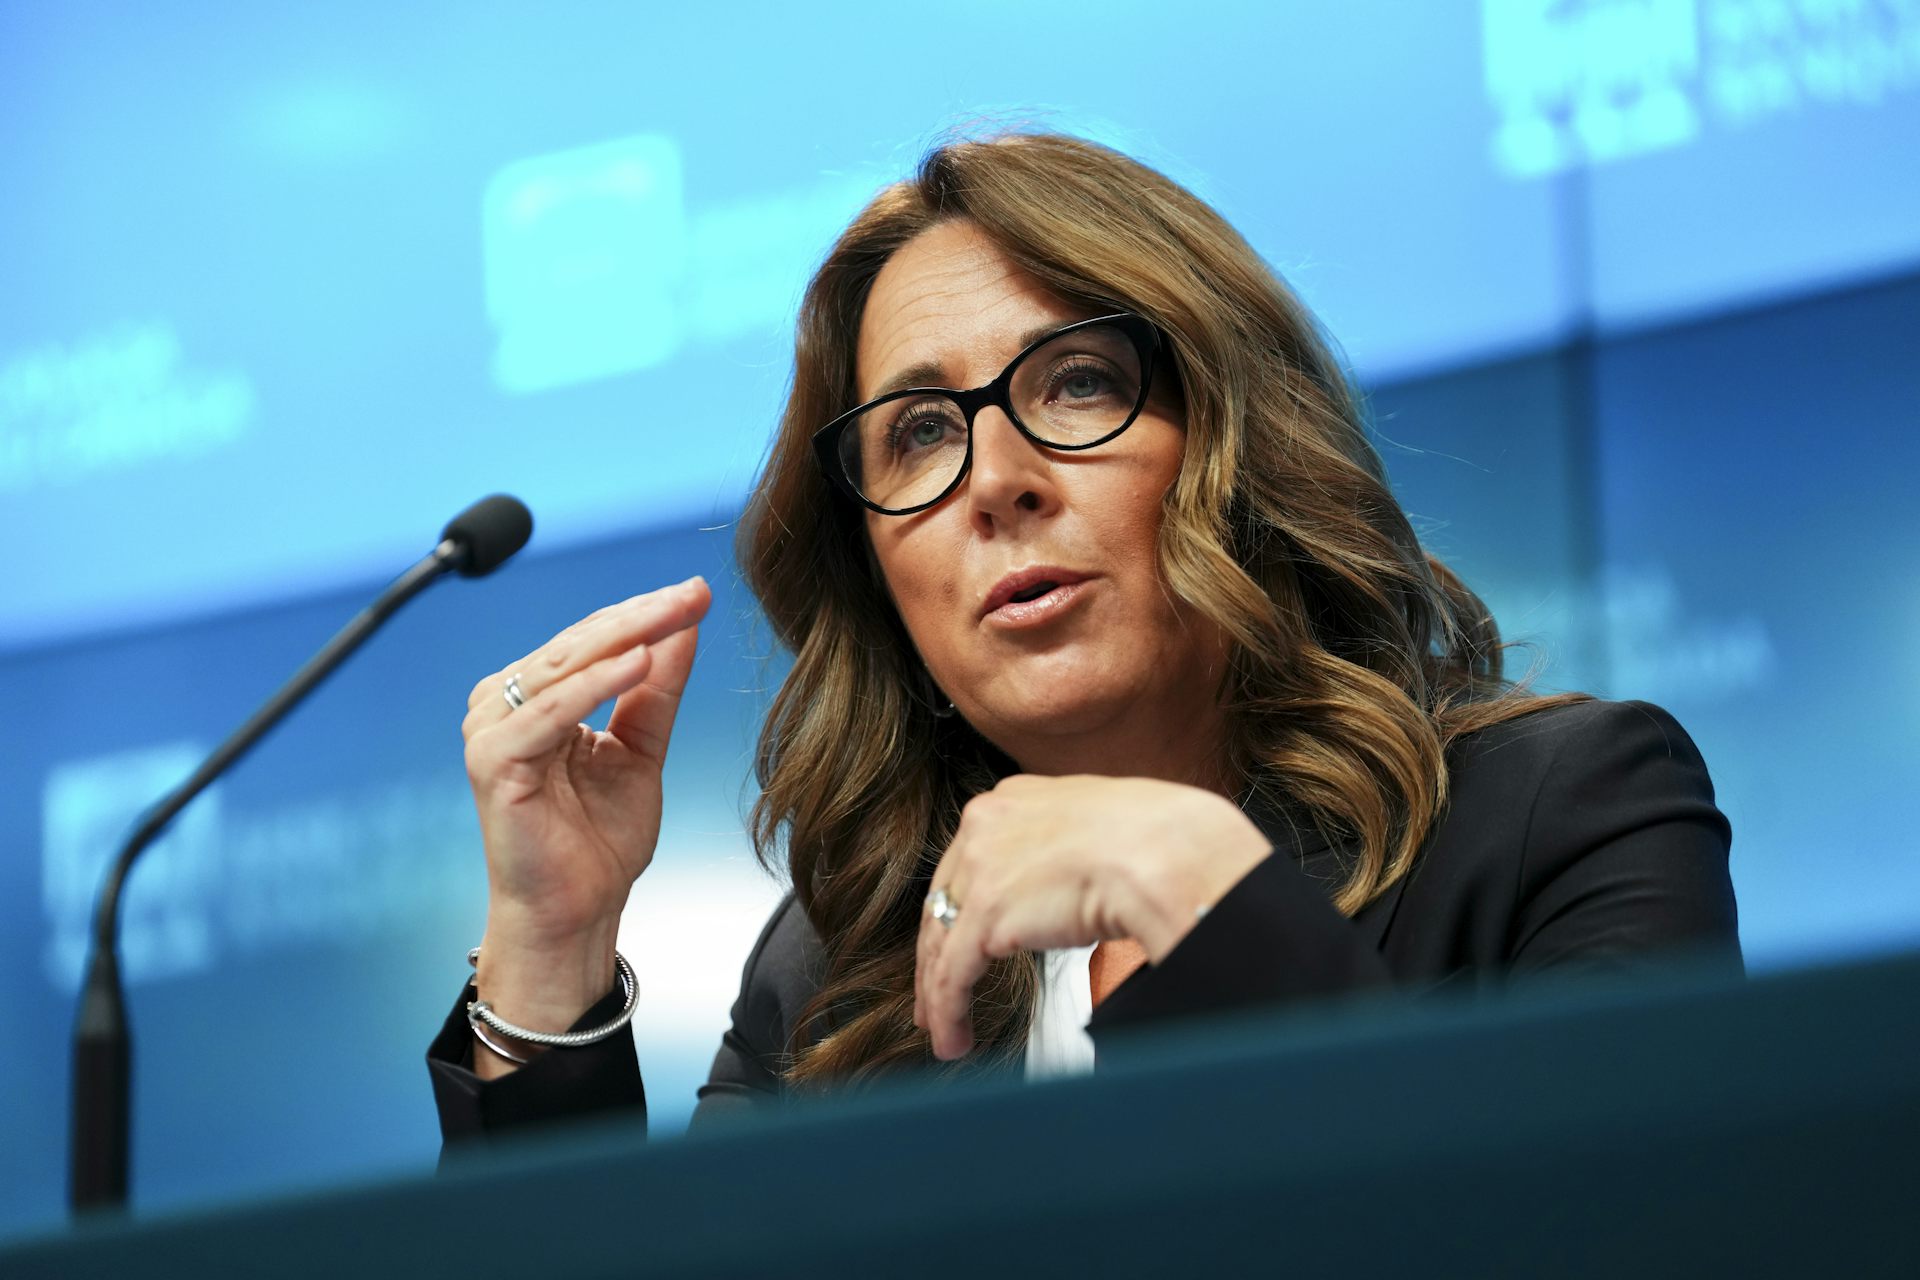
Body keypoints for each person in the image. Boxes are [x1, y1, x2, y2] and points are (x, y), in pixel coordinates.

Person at [427, 131, 1739, 1141]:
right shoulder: (840, 972)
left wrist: (1202, 890)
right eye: (920, 432)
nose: (994, 477)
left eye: (1079, 383)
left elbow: (1622, 1231)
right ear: (882, 572)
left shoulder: (1558, 814)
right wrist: (548, 956)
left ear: (1237, 442)